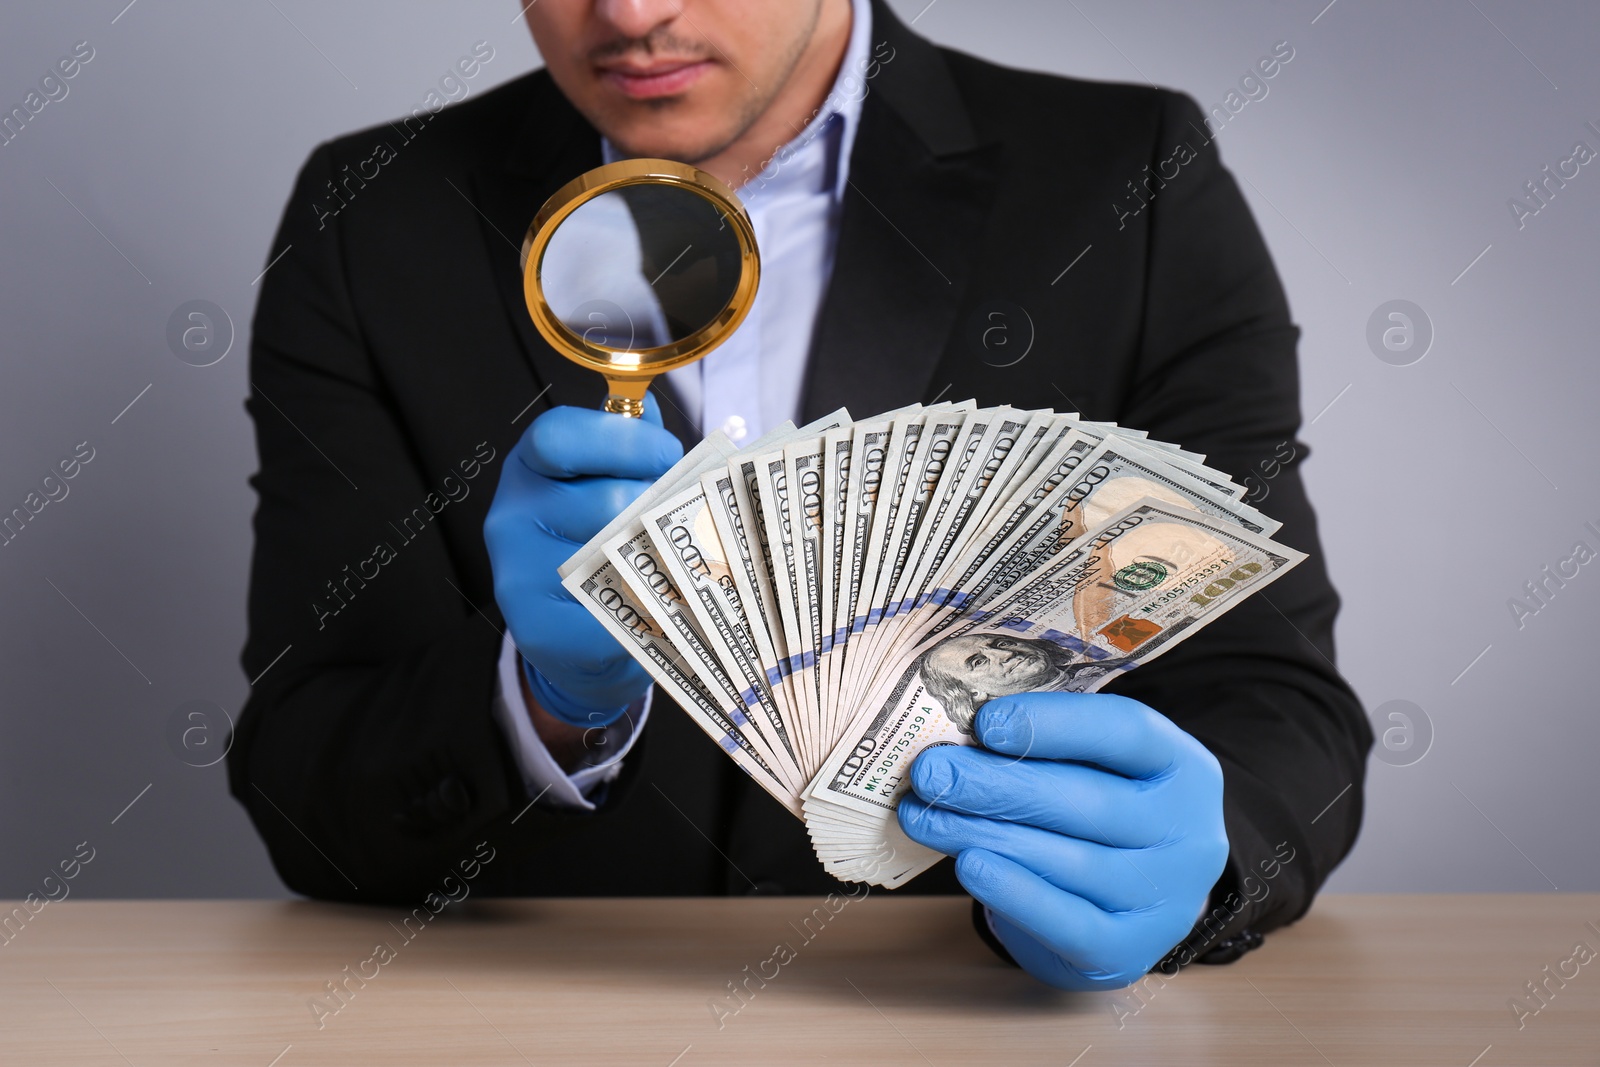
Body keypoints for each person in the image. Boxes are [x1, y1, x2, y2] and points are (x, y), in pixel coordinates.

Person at [230, 0, 1371, 992]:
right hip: (548, 1022)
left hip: (970, 1025)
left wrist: (1196, 864)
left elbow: (1279, 702)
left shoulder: (1131, 176)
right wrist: (540, 703)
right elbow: (302, 780)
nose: (629, 14)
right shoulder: (372, 213)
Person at [917, 633, 1127, 734]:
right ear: (973, 693)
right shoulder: (1015, 735)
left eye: (1002, 643)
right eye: (979, 661)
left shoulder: (1122, 666)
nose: (1007, 653)